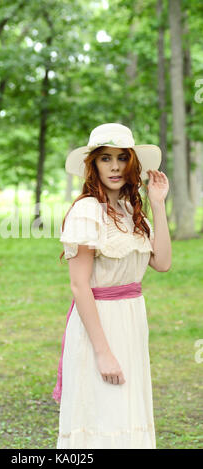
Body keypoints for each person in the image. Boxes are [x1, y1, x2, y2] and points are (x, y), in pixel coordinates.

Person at [52, 123, 171, 449]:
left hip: (131, 322)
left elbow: (162, 262)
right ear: (93, 165)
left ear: (132, 163)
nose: (115, 166)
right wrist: (103, 354)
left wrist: (157, 204)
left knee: (126, 415)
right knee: (101, 416)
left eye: (122, 158)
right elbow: (79, 287)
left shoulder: (132, 211)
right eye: (106, 158)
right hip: (99, 325)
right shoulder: (87, 211)